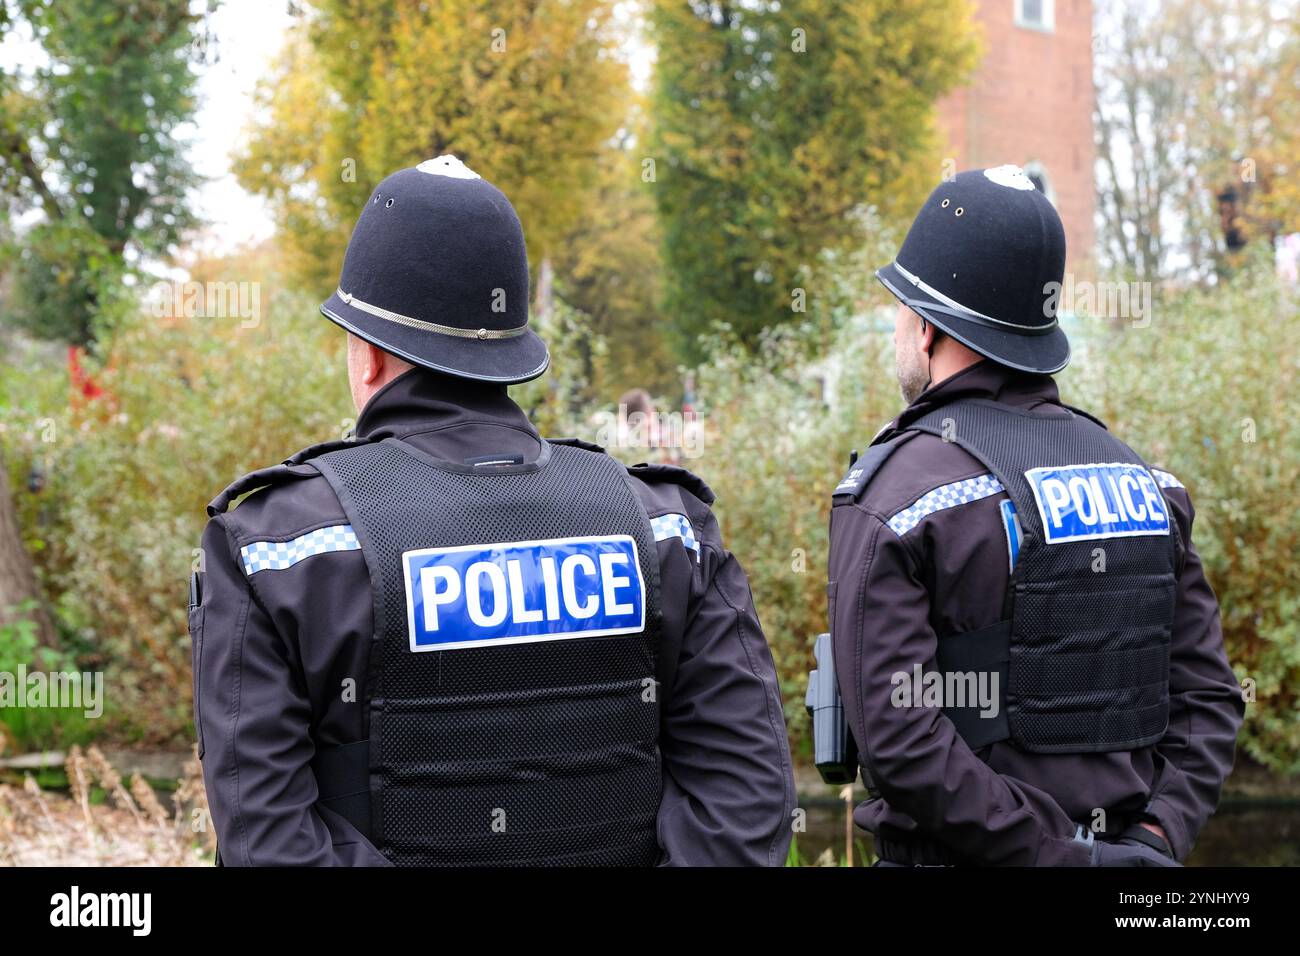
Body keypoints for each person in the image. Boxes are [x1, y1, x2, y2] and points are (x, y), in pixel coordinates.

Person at [191, 155, 795, 866]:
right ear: (512, 351)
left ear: (369, 358)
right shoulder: (667, 527)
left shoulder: (274, 550)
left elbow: (269, 843)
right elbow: (748, 803)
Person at [826, 165, 1244, 866]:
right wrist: (1153, 838)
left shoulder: (895, 498)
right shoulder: (1149, 484)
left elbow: (900, 744)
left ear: (926, 326)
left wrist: (1064, 858)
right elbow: (1209, 699)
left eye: (901, 307)